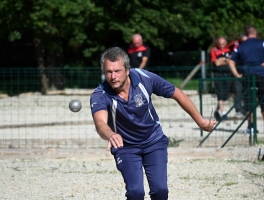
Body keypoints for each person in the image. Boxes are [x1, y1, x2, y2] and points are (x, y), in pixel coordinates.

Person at [90, 47, 216, 199]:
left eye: (117, 71)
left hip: (153, 141)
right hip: (125, 147)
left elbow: (178, 94)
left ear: (127, 70)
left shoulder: (144, 78)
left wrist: (201, 121)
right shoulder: (100, 94)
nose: (113, 76)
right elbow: (100, 123)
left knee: (160, 190)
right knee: (136, 193)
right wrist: (110, 134)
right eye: (109, 72)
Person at [228, 25, 264, 134]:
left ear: (246, 34)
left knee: (249, 101)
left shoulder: (240, 47)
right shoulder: (262, 43)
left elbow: (231, 61)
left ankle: (251, 127)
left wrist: (236, 74)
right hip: (261, 74)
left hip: (248, 74)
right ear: (255, 33)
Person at [210, 36, 232, 121]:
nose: (221, 46)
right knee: (220, 93)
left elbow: (232, 61)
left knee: (225, 94)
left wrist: (223, 60)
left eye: (223, 44)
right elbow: (217, 63)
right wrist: (227, 60)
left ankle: (216, 111)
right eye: (219, 44)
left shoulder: (229, 50)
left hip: (227, 74)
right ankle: (223, 113)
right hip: (218, 74)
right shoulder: (214, 50)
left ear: (226, 43)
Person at [227, 34, 248, 117]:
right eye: (242, 41)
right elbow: (226, 49)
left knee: (248, 91)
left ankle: (246, 108)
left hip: (247, 71)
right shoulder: (235, 45)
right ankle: (238, 109)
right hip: (237, 70)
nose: (244, 42)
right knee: (238, 90)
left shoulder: (251, 46)